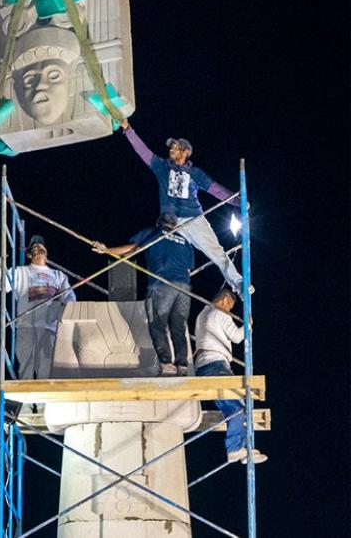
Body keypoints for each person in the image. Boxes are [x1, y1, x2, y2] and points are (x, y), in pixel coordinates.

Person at [119, 120, 246, 293]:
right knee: (154, 247)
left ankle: (238, 284)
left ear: (185, 152)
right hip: (170, 222)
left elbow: (215, 189)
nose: (171, 149)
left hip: (193, 219)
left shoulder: (195, 173)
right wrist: (128, 129)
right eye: (171, 147)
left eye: (176, 147)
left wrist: (237, 201)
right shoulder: (162, 167)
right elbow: (143, 151)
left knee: (216, 252)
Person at [92, 213, 194, 376]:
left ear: (158, 223)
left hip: (161, 284)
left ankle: (167, 364)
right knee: (178, 326)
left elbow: (131, 250)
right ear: (174, 225)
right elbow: (189, 270)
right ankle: (182, 366)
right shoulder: (186, 242)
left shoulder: (153, 233)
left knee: (157, 324)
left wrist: (106, 250)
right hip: (184, 287)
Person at [194, 289, 267, 464]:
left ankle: (241, 448)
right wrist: (247, 326)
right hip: (216, 365)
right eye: (231, 307)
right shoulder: (220, 313)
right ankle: (235, 448)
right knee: (238, 408)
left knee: (234, 408)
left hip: (202, 366)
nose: (230, 311)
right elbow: (236, 337)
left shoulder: (202, 314)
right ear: (225, 301)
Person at [0, 235, 76, 379]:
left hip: (48, 327)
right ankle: (27, 402)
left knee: (46, 370)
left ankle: (43, 402)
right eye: (34, 247)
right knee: (26, 369)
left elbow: (69, 298)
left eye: (41, 246)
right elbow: (3, 284)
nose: (38, 247)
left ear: (46, 251)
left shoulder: (58, 275)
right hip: (26, 326)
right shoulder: (21, 272)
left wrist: (61, 309)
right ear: (29, 255)